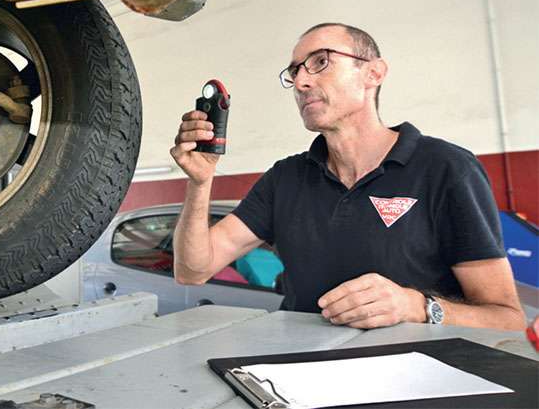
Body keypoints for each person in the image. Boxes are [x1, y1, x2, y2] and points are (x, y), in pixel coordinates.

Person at [169, 23, 526, 331]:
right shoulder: (286, 178)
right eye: (295, 72)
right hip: (299, 380)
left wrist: (414, 306)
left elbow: (506, 318)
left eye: (320, 62)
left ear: (374, 73)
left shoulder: (446, 169)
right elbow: (192, 271)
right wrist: (200, 183)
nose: (302, 82)